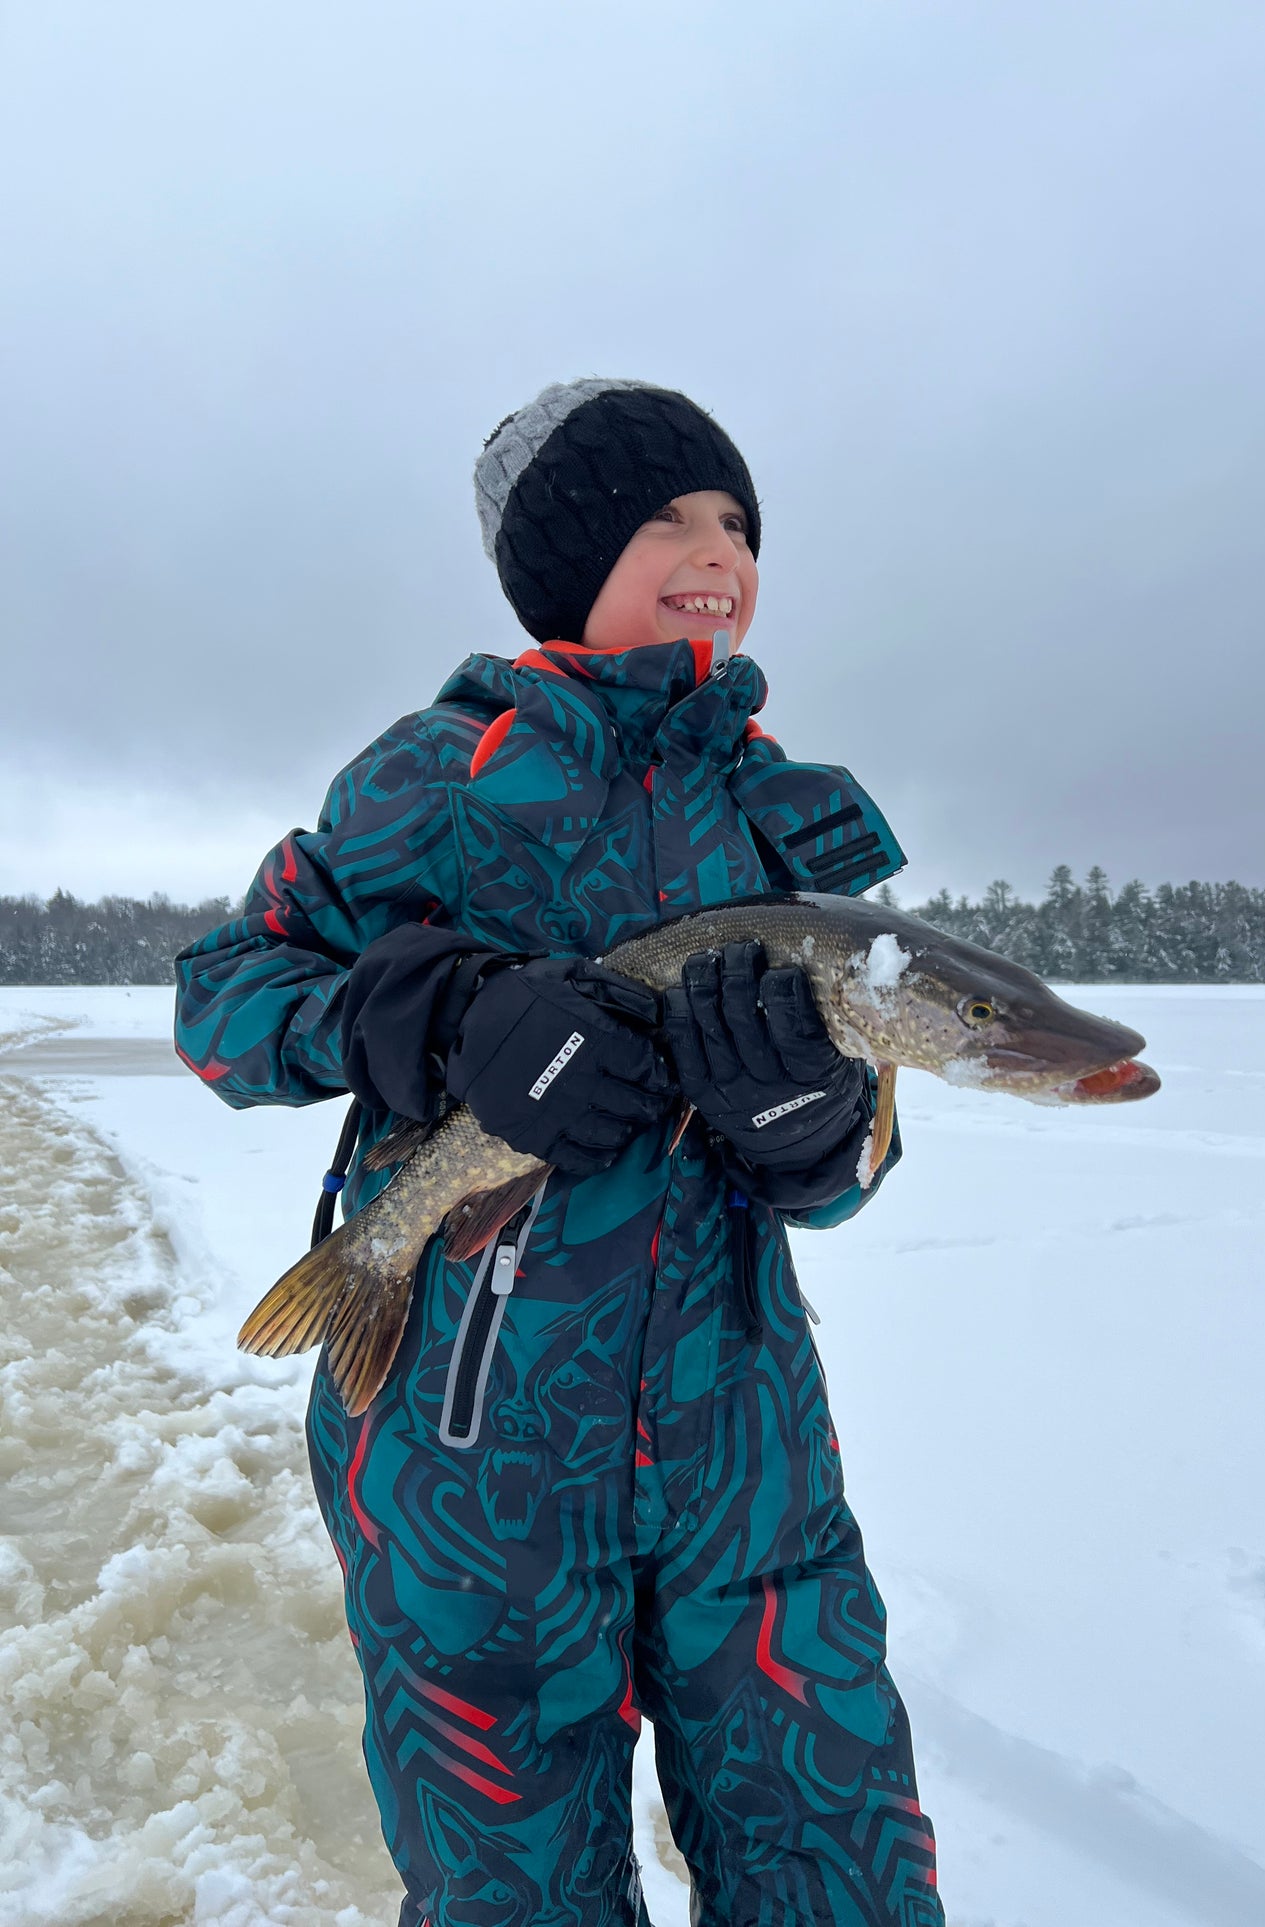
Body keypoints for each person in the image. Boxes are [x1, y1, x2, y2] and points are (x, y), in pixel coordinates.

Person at [175, 378, 943, 1925]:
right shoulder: (431, 778)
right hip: (467, 1464)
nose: (714, 545)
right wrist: (438, 1011)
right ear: (561, 554)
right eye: (665, 513)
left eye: (736, 519)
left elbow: (856, 1160)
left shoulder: (783, 810)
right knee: (512, 1891)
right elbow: (226, 999)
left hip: (750, 1454)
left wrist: (812, 1137)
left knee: (833, 1862)